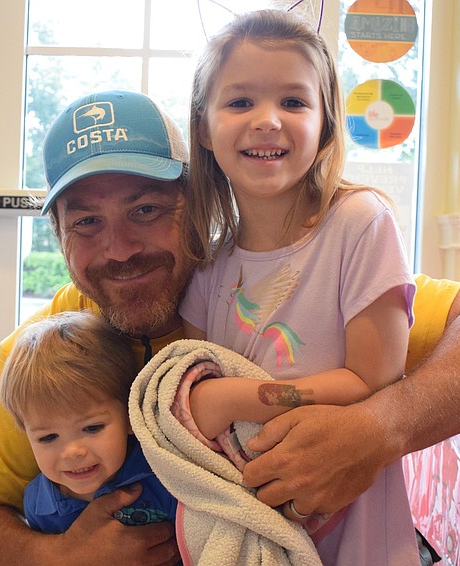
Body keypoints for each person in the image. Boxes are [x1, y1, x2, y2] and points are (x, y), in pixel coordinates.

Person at [0, 89, 460, 566]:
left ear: (196, 202)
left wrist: (380, 427)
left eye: (146, 210)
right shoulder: (46, 353)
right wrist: (57, 558)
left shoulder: (281, 291)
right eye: (87, 224)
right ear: (58, 236)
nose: (119, 249)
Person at [176, 9, 419, 563]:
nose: (267, 120)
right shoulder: (209, 266)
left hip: (354, 536)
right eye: (240, 102)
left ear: (326, 125)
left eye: (293, 101)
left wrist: (232, 397)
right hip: (243, 525)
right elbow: (190, 384)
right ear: (204, 129)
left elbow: (375, 379)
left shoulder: (361, 222)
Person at [0, 311, 176, 534]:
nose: (72, 452)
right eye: (48, 437)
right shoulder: (36, 504)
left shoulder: (166, 477)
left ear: (131, 416)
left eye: (92, 428)